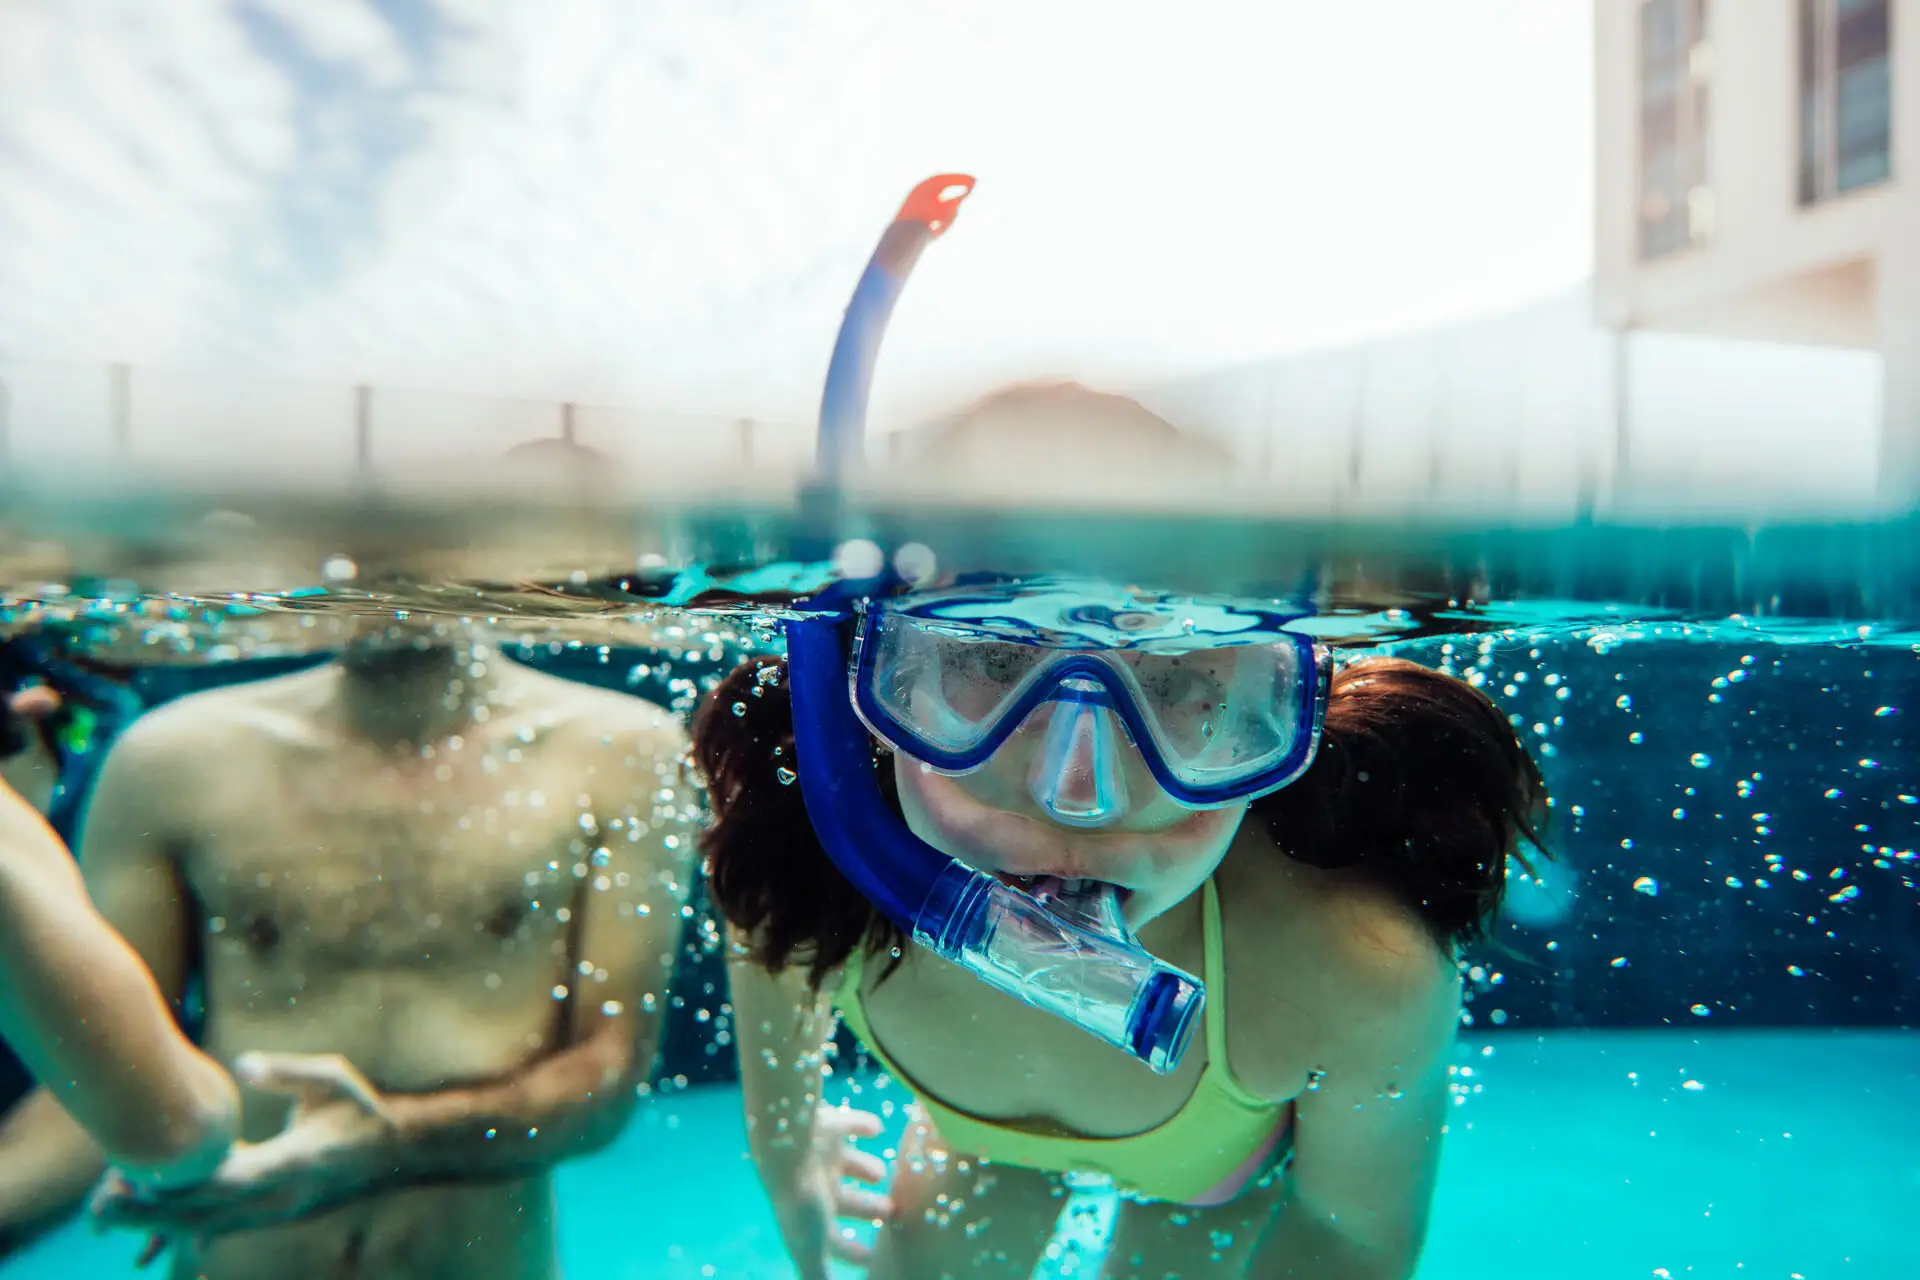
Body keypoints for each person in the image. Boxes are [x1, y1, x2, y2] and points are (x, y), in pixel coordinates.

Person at [696, 575, 1547, 1280]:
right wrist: (783, 1150)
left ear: (1273, 720)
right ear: (880, 685)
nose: (1081, 792)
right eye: (994, 661)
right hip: (972, 1146)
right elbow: (764, 959)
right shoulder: (805, 861)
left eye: (1179, 686)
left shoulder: (1348, 966)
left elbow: (1351, 1240)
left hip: (1209, 1180)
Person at [0, 619, 696, 1280]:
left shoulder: (621, 754)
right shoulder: (168, 763)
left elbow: (606, 1077)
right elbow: (90, 1090)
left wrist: (386, 1142)